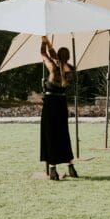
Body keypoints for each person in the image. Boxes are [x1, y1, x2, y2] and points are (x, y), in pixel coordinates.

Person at [40, 36, 77, 181]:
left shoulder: (53, 68)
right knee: (63, 135)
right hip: (62, 104)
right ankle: (70, 166)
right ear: (67, 57)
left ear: (58, 57)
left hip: (51, 104)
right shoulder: (71, 70)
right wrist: (49, 43)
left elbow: (43, 54)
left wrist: (43, 42)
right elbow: (55, 57)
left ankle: (53, 169)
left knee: (50, 135)